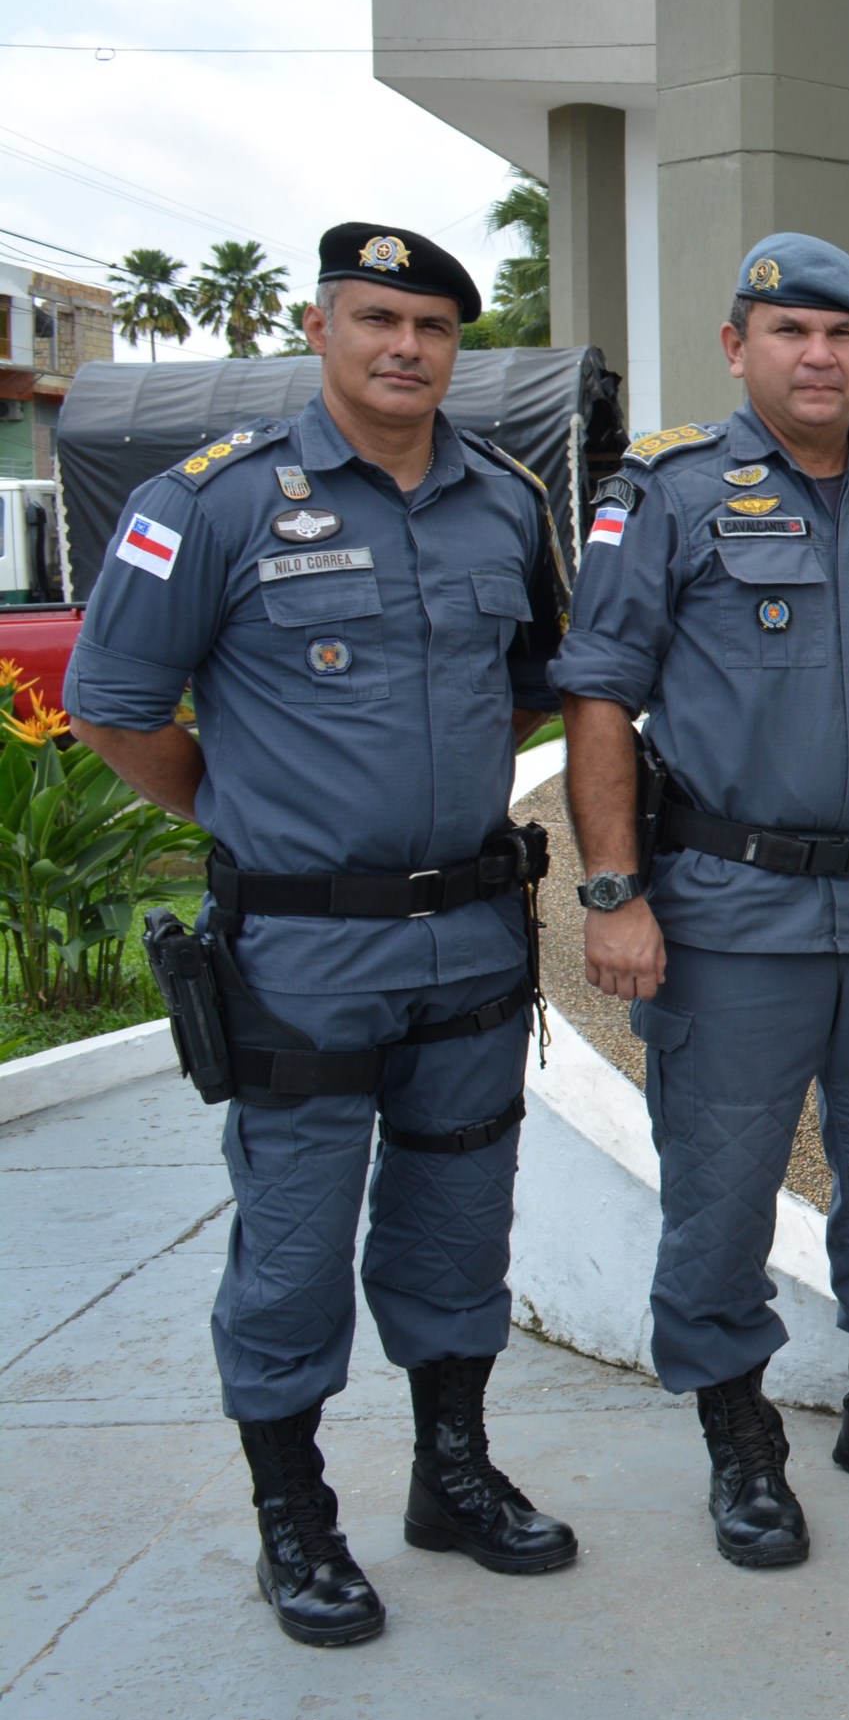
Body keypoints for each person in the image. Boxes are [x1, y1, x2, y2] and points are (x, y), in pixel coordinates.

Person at [68, 223, 572, 1647]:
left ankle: (452, 1475)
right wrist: (249, 813)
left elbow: (531, 683)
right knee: (293, 1244)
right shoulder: (211, 501)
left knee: (459, 1227)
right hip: (301, 956)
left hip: (470, 936)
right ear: (320, 328)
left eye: (433, 326)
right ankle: (294, 1515)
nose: (406, 347)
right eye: (377, 319)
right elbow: (112, 704)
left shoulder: (503, 500)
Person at [553, 232, 849, 1571]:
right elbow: (601, 695)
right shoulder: (669, 493)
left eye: (841, 334)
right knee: (723, 1188)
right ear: (736, 346)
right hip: (727, 913)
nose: (818, 356)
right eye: (789, 331)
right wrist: (613, 891)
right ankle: (741, 1439)